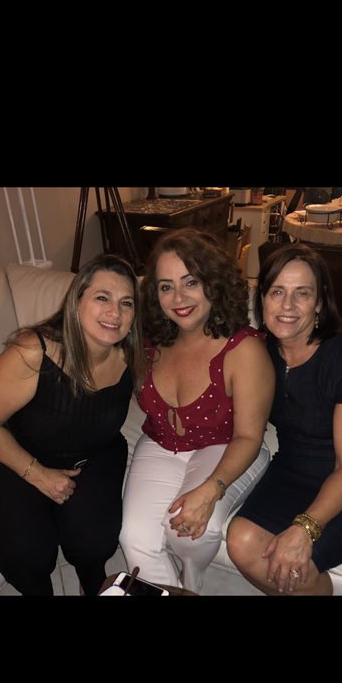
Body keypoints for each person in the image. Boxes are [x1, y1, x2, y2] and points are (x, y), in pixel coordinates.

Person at [226, 243, 342, 596]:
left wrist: (305, 528)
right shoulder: (261, 352)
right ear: (260, 299)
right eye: (277, 291)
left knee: (297, 566)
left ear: (320, 303)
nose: (287, 306)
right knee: (241, 541)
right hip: (294, 469)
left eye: (302, 294)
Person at [0, 254, 144, 596]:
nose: (115, 313)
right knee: (24, 555)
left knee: (94, 543)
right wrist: (39, 475)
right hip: (20, 453)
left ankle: (92, 582)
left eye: (127, 303)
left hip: (96, 452)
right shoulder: (35, 351)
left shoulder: (132, 353)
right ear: (76, 301)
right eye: (102, 298)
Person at [119, 229, 276, 595]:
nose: (179, 298)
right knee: (134, 540)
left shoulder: (243, 349)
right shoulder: (148, 341)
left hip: (228, 446)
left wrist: (211, 489)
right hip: (160, 444)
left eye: (191, 282)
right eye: (165, 286)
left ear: (214, 283)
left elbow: (250, 436)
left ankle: (193, 582)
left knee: (188, 534)